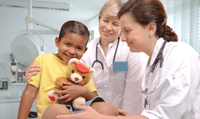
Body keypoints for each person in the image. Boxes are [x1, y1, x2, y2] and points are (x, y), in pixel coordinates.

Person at [56, 0, 200, 119]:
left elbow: (166, 115)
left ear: (151, 28)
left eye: (127, 31)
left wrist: (106, 118)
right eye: (106, 21)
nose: (123, 38)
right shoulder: (152, 64)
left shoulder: (181, 55)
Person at [25, 0, 148, 116]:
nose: (108, 28)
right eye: (105, 20)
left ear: (122, 27)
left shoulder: (130, 51)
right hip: (89, 108)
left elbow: (134, 92)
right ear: (99, 18)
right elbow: (67, 73)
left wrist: (127, 117)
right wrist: (36, 73)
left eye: (115, 24)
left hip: (119, 111)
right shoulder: (85, 49)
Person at [18, 21, 119, 119]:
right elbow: (29, 93)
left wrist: (83, 91)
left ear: (85, 50)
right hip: (53, 111)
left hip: (79, 109)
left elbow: (94, 98)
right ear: (57, 42)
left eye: (79, 48)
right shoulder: (43, 60)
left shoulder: (83, 68)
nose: (71, 51)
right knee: (59, 111)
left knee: (108, 109)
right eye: (68, 44)